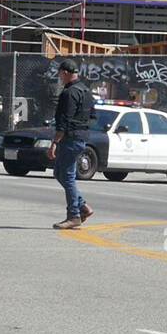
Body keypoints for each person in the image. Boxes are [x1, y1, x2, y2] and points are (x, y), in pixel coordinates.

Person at [49, 59, 96, 230]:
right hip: (82, 136)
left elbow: (64, 120)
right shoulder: (86, 91)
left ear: (66, 73)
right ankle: (83, 206)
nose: (59, 77)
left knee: (67, 176)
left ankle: (74, 215)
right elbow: (93, 117)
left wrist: (55, 142)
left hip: (70, 138)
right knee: (59, 173)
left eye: (60, 73)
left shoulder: (69, 93)